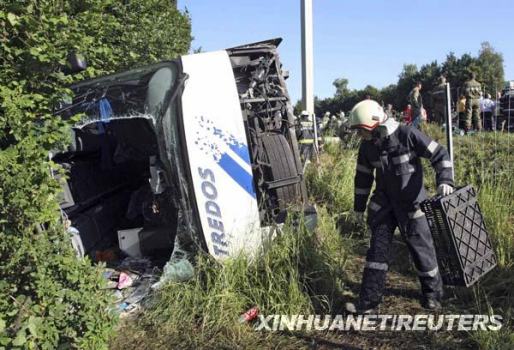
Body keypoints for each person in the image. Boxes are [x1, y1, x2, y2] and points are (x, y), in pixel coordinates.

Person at [345, 100, 454, 314]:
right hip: (384, 206)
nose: (359, 136)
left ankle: (432, 295)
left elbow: (440, 154)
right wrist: (358, 209)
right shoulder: (367, 147)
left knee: (422, 249)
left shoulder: (408, 134)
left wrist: (445, 181)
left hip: (412, 204)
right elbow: (362, 179)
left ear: (375, 125)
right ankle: (368, 302)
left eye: (360, 131)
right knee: (377, 252)